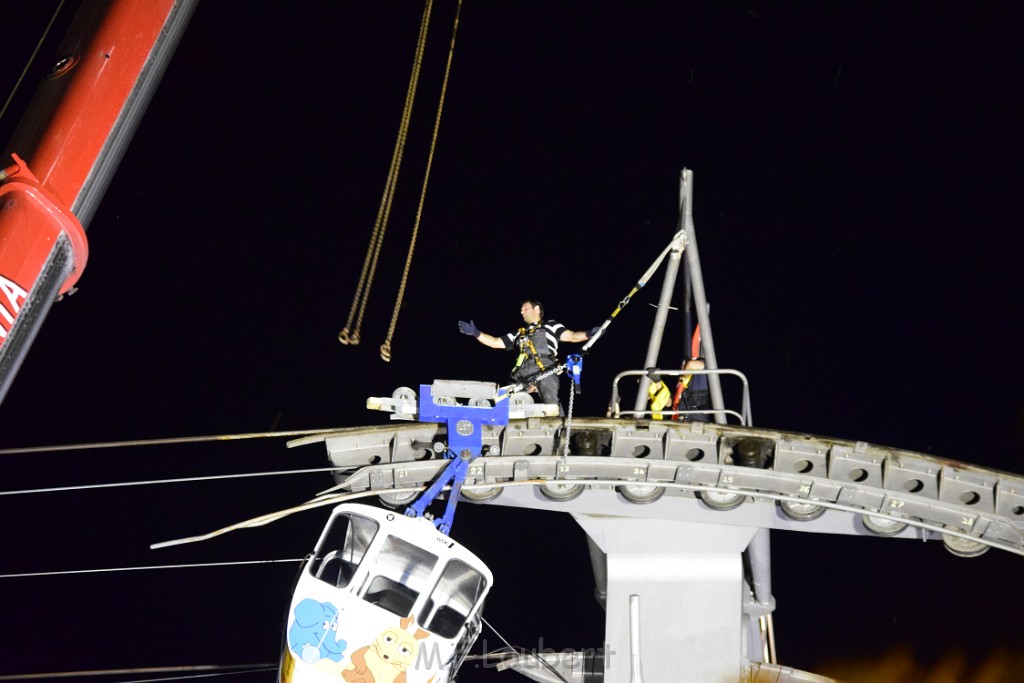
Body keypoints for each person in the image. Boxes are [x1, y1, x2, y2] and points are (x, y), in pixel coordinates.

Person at [458, 300, 598, 409]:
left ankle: (557, 428)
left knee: (550, 400)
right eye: (521, 309)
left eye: (525, 308)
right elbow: (495, 342)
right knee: (508, 401)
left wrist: (589, 333)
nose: (522, 311)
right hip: (522, 373)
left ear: (537, 309)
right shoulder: (519, 333)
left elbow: (573, 336)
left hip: (545, 369)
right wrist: (476, 333)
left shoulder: (550, 325)